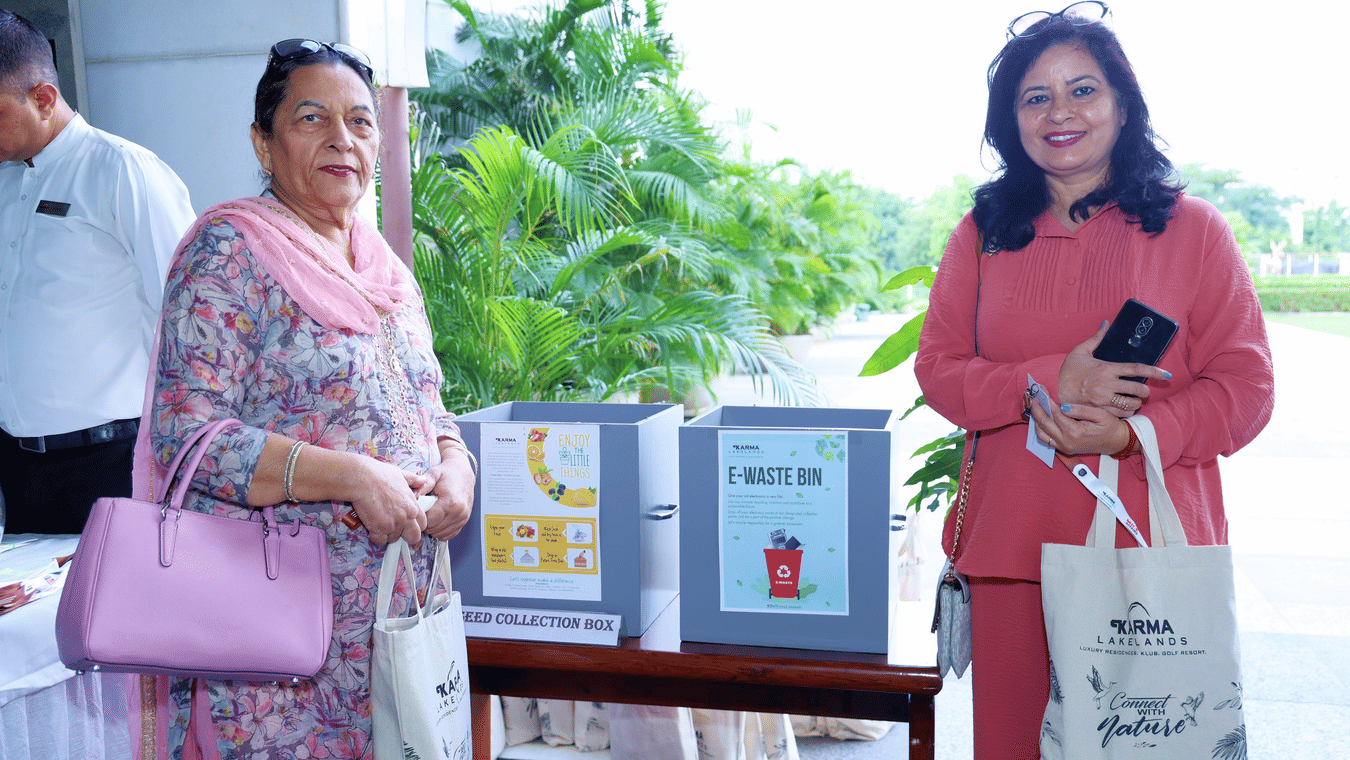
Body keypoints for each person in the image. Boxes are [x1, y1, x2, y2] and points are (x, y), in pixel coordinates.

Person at [913, 4, 1274, 757]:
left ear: (1123, 103)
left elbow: (1246, 388)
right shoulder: (981, 235)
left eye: (1082, 90)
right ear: (1010, 120)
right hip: (1013, 556)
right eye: (1034, 97)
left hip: (1148, 553)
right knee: (1012, 745)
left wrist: (1138, 432)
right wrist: (1049, 379)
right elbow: (939, 371)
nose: (1060, 113)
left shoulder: (1192, 230)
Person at [130, 39, 476, 758]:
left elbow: (426, 399)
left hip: (393, 619)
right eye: (312, 118)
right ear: (263, 142)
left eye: (359, 121)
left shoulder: (382, 267)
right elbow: (189, 439)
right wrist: (351, 475)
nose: (341, 139)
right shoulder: (231, 251)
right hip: (282, 645)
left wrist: (455, 464)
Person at [0, 9, 195, 534]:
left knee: (120, 616)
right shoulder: (4, 182)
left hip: (110, 462)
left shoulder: (123, 171)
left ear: (42, 99)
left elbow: (189, 320)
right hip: (18, 468)